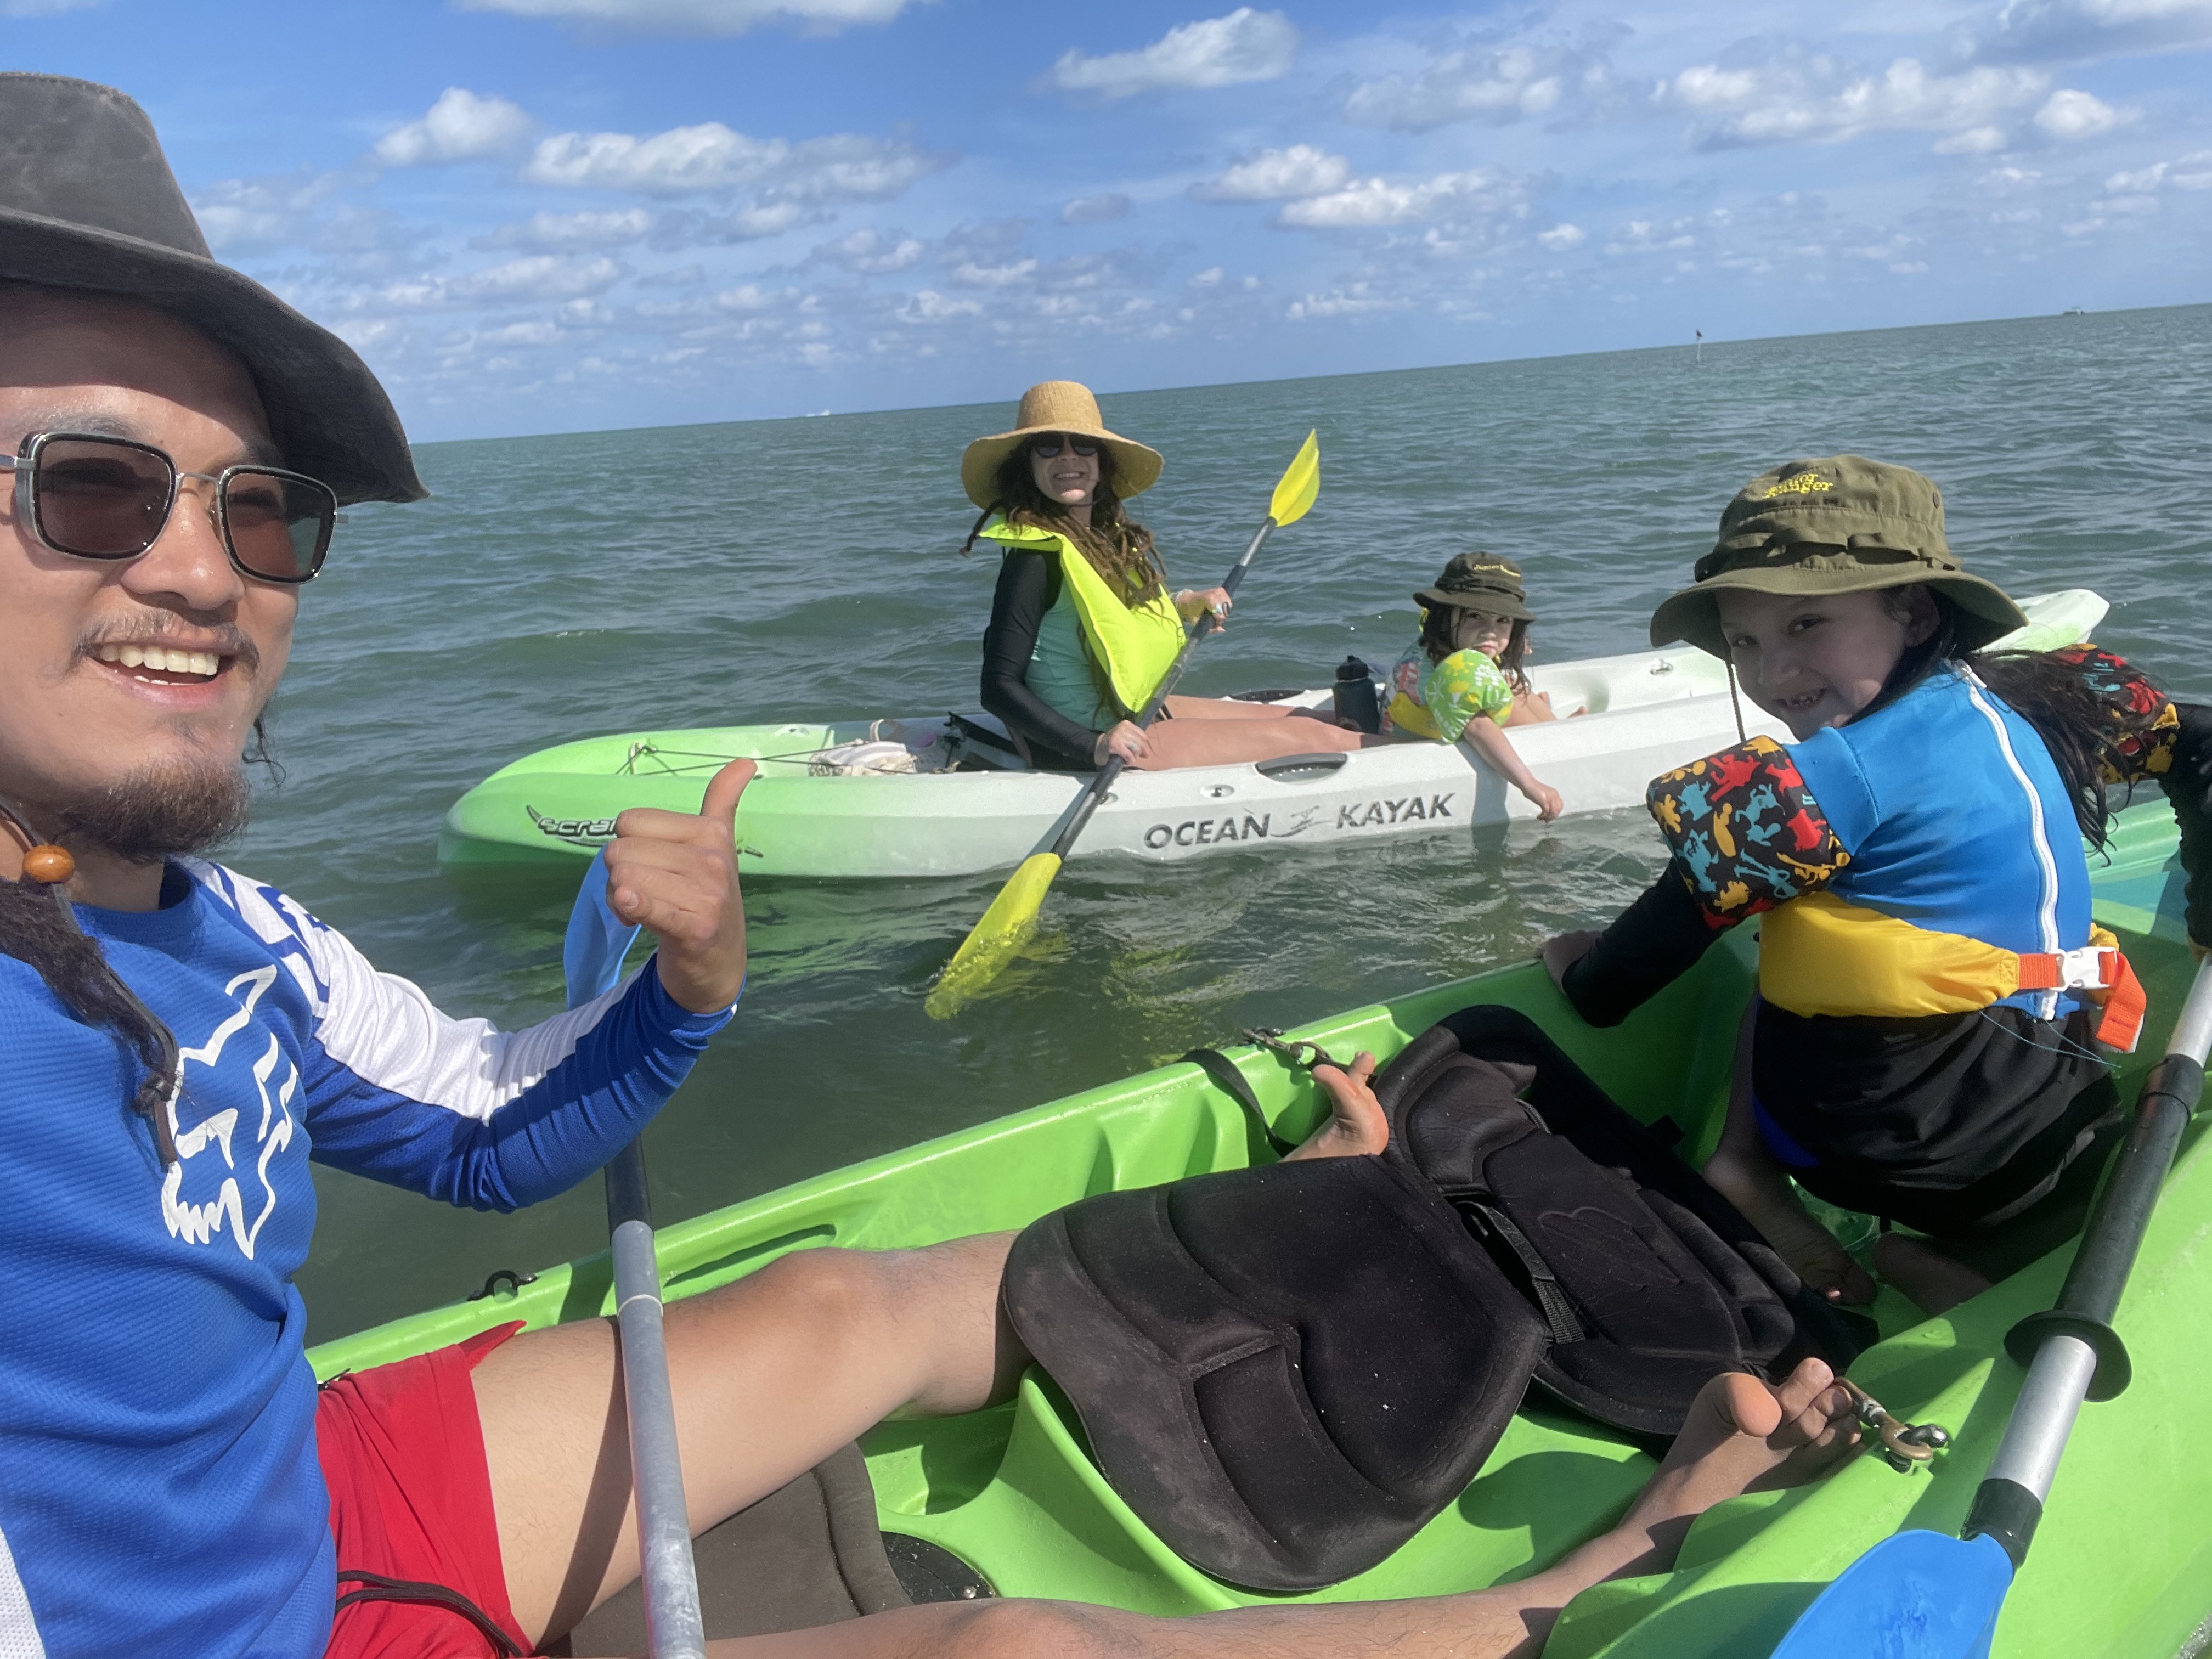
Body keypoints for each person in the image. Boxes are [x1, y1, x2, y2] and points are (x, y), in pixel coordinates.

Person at [0, 75, 1873, 1659]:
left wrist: (687, 990)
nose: (201, 571)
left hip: (283, 1476)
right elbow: (1029, 689)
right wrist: (1099, 745)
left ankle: (1308, 1211)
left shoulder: (226, 930)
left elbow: (488, 1135)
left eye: (259, 507)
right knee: (1009, 1648)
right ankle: (1572, 1589)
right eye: (90, 485)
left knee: (847, 1299)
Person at [1542, 455, 2212, 1317]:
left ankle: (1746, 1162)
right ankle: (1962, 1267)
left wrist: (1581, 975)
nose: (1773, 674)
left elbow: (1644, 952)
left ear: (1917, 612)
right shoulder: (2048, 696)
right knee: (2091, 1174)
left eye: (1807, 624)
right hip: (1958, 1153)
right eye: (1744, 642)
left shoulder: (1824, 784)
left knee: (1793, 915)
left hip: (1847, 1130)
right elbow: (2200, 744)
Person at [967, 381, 1367, 771]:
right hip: (1091, 740)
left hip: (1132, 711)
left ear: (1102, 463)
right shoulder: (1034, 560)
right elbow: (998, 687)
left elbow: (1113, 620)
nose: (1068, 458)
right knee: (1320, 737)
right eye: (1049, 446)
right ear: (1028, 466)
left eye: (1083, 445)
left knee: (1310, 718)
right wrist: (1094, 746)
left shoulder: (1100, 540)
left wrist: (1186, 604)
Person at [1383, 552, 1568, 820]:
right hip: (1420, 744)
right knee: (1512, 695)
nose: (1490, 631)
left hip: (1411, 719)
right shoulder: (1457, 670)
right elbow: (1478, 728)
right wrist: (1529, 785)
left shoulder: (1433, 645)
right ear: (1445, 616)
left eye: (1503, 620)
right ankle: (1560, 734)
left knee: (1512, 684)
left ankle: (1556, 724)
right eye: (1475, 616)